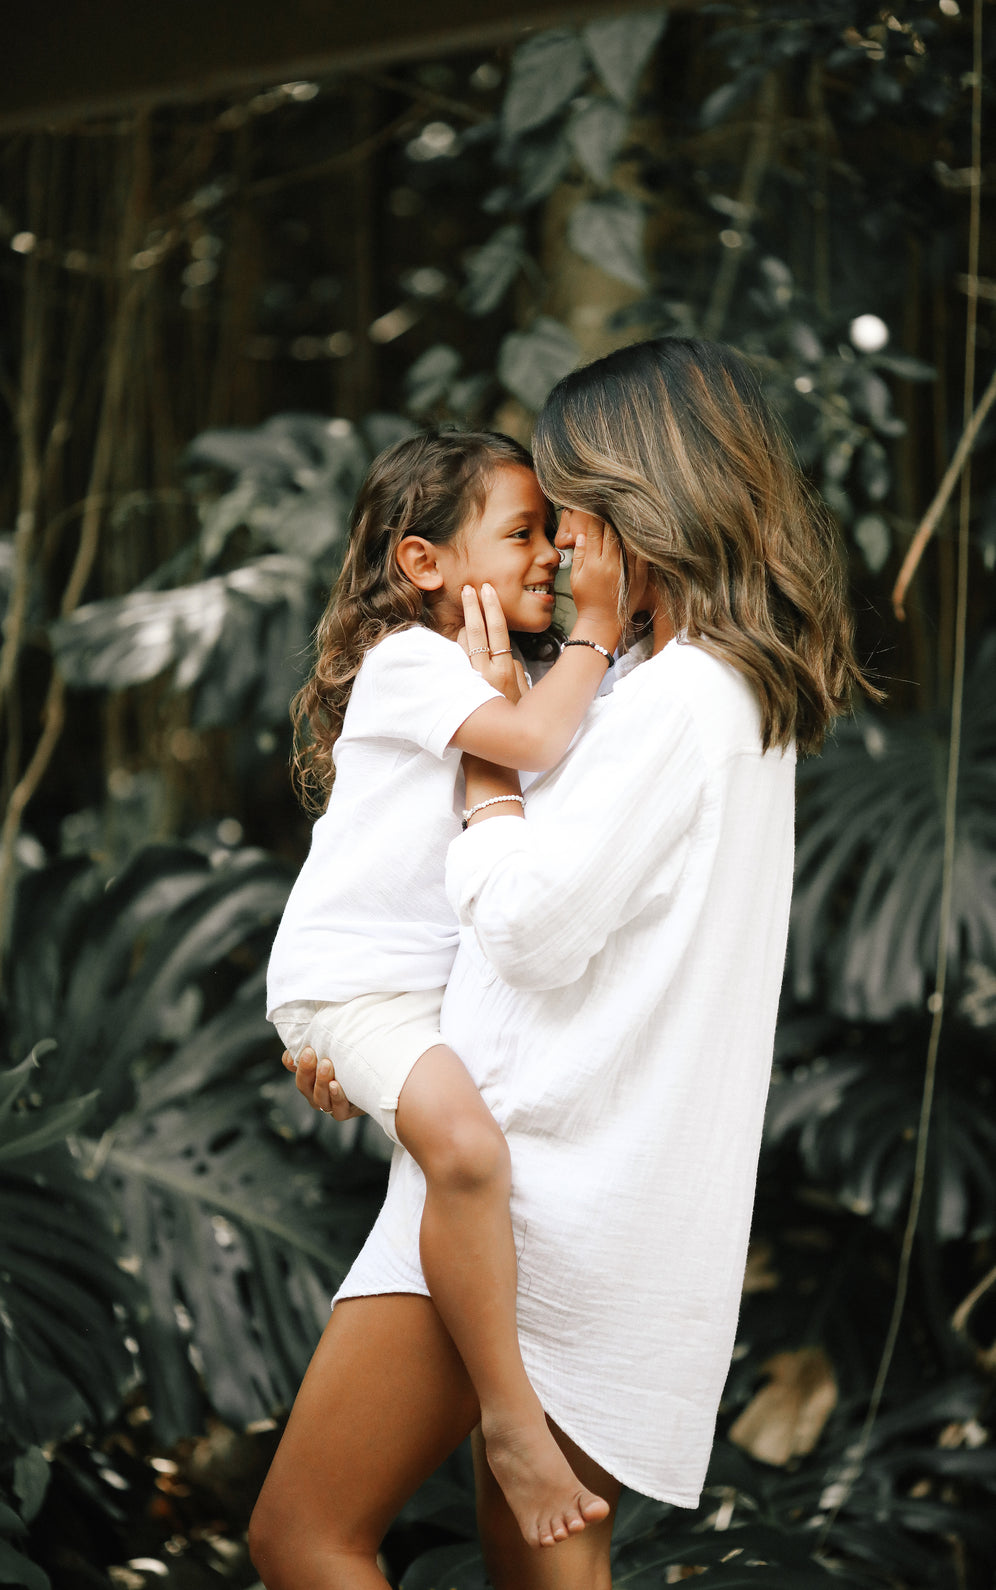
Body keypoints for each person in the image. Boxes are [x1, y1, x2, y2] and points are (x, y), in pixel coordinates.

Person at [251, 338, 872, 1590]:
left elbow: (530, 924)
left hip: (534, 1194)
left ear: (648, 510)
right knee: (536, 1563)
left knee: (305, 1535)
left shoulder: (674, 701)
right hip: (581, 1183)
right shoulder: (707, 693)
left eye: (575, 515)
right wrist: (387, 1045)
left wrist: (486, 770)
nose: (562, 552)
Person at [265, 428, 628, 1554]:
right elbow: (524, 741)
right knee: (466, 1156)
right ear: (423, 565)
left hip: (413, 1006)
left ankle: (509, 1414)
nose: (550, 559)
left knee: (466, 1157)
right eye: (520, 533)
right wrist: (600, 633)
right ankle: (511, 1421)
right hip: (356, 995)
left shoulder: (491, 677)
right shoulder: (413, 661)